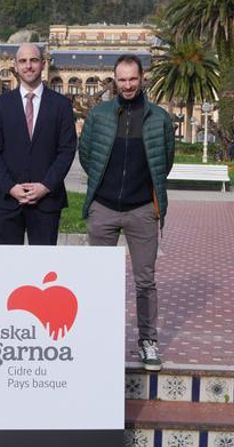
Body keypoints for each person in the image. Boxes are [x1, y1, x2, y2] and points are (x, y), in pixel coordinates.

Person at [78, 54, 175, 372]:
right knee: (98, 280)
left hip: (142, 210)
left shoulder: (159, 118)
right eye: (122, 79)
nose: (128, 85)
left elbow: (165, 161)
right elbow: (86, 153)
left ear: (142, 78)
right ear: (114, 80)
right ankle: (99, 338)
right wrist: (99, 195)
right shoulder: (100, 115)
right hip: (103, 209)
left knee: (145, 281)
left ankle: (148, 341)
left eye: (133, 79)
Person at [0, 43, 77, 245]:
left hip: (46, 201)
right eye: (23, 61)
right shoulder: (0, 104)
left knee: (42, 269)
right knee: (7, 269)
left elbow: (67, 150)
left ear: (43, 64)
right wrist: (10, 187)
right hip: (7, 200)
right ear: (15, 66)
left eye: (33, 60)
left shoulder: (61, 105)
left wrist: (45, 186)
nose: (28, 66)